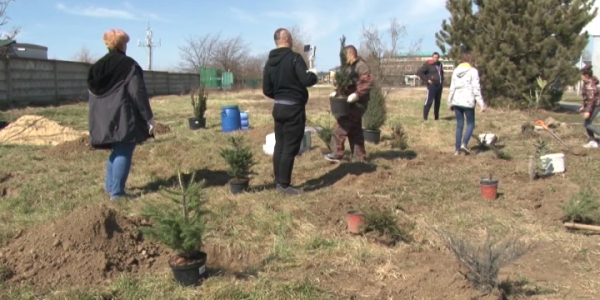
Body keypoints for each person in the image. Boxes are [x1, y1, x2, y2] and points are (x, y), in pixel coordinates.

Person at [87, 29, 155, 200]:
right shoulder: (128, 65)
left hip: (101, 117)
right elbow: (137, 92)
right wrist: (148, 116)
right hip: (122, 115)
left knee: (116, 151)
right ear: (123, 44)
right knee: (124, 149)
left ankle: (109, 187)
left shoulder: (96, 67)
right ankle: (117, 193)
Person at [263, 28, 318, 195]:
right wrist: (313, 74)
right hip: (293, 108)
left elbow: (267, 89)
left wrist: (280, 96)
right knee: (290, 147)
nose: (293, 41)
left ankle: (278, 180)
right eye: (291, 38)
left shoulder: (269, 63)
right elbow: (306, 80)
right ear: (286, 39)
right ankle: (284, 185)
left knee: (280, 145)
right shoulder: (294, 58)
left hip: (278, 107)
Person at [325, 45, 374, 163]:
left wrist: (357, 94)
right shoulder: (349, 68)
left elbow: (368, 82)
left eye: (344, 56)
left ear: (351, 54)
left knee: (341, 126)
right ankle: (359, 157)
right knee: (355, 130)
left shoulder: (361, 65)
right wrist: (337, 92)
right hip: (349, 103)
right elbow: (346, 85)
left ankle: (337, 153)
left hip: (358, 103)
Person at [447, 52, 486, 155]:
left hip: (456, 101)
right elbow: (476, 88)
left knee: (459, 125)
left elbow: (452, 87)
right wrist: (481, 104)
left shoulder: (455, 71)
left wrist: (449, 102)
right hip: (468, 101)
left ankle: (456, 150)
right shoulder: (473, 71)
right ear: (471, 61)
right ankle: (464, 144)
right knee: (470, 123)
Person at [417, 52, 445, 120]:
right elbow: (419, 72)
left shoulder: (440, 64)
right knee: (429, 101)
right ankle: (425, 117)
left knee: (437, 102)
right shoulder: (428, 64)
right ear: (432, 57)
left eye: (437, 57)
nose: (436, 58)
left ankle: (436, 118)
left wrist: (442, 80)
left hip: (439, 85)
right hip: (432, 85)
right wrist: (427, 80)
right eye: (434, 57)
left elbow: (441, 73)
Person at [580, 65, 600, 148]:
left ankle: (593, 140)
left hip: (596, 105)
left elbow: (591, 100)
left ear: (586, 75)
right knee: (587, 123)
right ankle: (592, 141)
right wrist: (583, 106)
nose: (580, 76)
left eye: (581, 75)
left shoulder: (590, 85)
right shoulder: (587, 83)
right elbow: (587, 98)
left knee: (587, 124)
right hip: (593, 105)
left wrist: (588, 111)